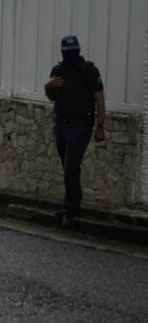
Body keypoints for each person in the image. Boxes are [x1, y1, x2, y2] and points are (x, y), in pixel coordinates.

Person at [44, 34, 105, 228]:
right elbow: (52, 98)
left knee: (71, 167)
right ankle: (73, 203)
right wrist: (47, 87)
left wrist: (100, 127)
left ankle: (69, 211)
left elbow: (99, 99)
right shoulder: (58, 71)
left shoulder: (88, 70)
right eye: (67, 52)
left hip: (80, 125)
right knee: (68, 167)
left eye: (72, 51)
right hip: (61, 124)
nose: (70, 55)